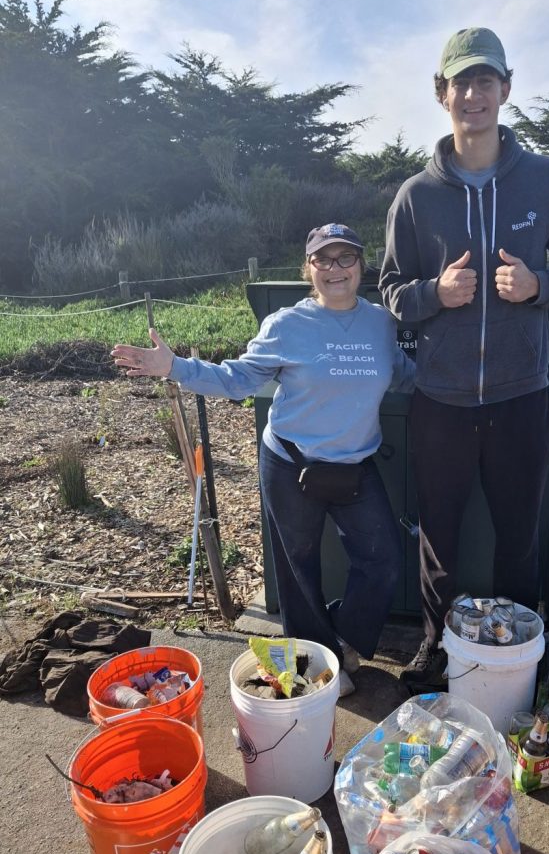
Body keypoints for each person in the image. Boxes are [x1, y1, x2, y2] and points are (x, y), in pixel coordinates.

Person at [380, 27, 549, 692]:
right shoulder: (417, 195)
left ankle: (516, 656)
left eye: (484, 81)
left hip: (520, 396)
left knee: (518, 541)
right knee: (439, 539)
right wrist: (434, 294)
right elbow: (390, 291)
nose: (472, 95)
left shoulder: (548, 180)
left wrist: (540, 287)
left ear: (505, 89)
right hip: (441, 400)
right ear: (442, 95)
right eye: (460, 83)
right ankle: (438, 650)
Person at [112, 223, 415, 695]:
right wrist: (173, 367)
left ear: (361, 265)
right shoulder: (287, 325)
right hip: (291, 463)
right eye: (324, 260)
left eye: (346, 258)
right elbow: (237, 379)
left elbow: (404, 375)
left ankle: (343, 641)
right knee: (298, 568)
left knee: (384, 562)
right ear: (308, 269)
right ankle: (316, 668)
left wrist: (464, 374)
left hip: (355, 465)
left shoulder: (381, 322)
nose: (336, 269)